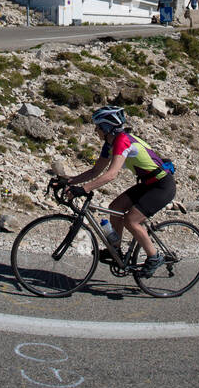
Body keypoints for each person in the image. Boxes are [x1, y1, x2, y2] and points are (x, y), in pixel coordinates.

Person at [57, 106, 175, 278]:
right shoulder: (109, 144)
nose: (95, 130)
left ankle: (154, 256)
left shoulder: (122, 141)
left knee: (131, 220)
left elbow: (111, 174)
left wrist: (83, 189)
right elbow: (95, 171)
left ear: (106, 128)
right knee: (116, 207)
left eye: (97, 127)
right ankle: (116, 251)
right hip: (148, 183)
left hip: (162, 185)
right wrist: (69, 181)